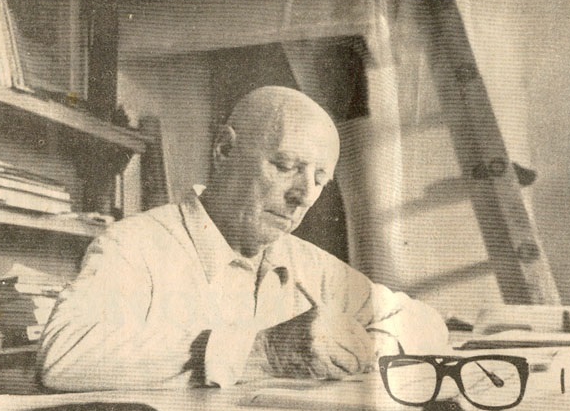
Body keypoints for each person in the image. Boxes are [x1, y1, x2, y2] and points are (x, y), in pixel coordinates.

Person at [37, 86, 448, 392]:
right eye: (286, 166)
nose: (304, 195)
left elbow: (426, 323)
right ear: (224, 149)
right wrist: (261, 351)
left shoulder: (305, 262)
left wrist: (366, 345)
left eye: (319, 179)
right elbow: (63, 356)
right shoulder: (136, 245)